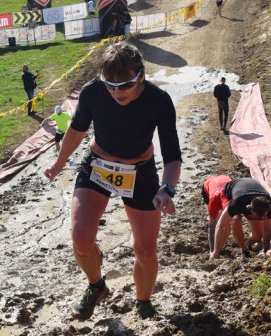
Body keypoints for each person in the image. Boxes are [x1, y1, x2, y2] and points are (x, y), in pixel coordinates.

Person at [43, 41, 182, 320]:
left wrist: (167, 188)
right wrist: (59, 163)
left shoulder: (159, 100)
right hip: (97, 165)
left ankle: (143, 302)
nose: (117, 93)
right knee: (81, 239)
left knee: (145, 249)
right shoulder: (93, 92)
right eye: (111, 85)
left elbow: (172, 154)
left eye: (125, 85)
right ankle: (96, 286)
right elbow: (77, 129)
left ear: (140, 75)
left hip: (140, 171)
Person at [202, 175, 271, 258]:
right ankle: (244, 249)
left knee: (258, 235)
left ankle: (247, 244)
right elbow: (220, 225)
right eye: (256, 218)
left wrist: (265, 250)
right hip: (233, 191)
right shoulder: (236, 203)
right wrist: (215, 251)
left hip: (250, 189)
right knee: (235, 220)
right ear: (250, 210)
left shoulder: (269, 206)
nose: (260, 220)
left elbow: (267, 230)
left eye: (262, 218)